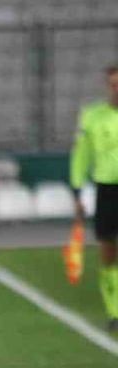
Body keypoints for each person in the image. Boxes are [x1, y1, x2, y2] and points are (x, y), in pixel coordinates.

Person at [70, 64, 118, 333]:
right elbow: (81, 156)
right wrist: (78, 190)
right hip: (107, 188)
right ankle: (114, 310)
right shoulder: (92, 116)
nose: (117, 89)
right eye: (113, 84)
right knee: (109, 252)